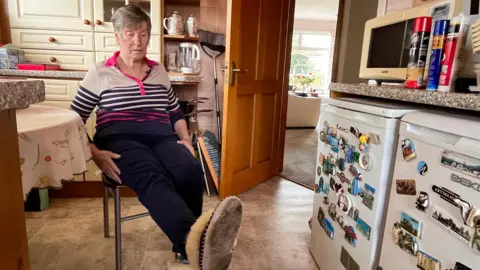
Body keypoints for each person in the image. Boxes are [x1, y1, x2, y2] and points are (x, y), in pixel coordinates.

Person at [69, 5, 242, 269]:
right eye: (129, 34)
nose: (137, 41)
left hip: (162, 136)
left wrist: (184, 138)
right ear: (117, 36)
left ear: (150, 35)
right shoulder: (100, 72)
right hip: (119, 138)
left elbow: (174, 110)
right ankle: (195, 244)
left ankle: (186, 249)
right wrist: (95, 153)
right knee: (152, 177)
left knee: (189, 171)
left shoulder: (159, 71)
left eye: (143, 34)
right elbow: (74, 121)